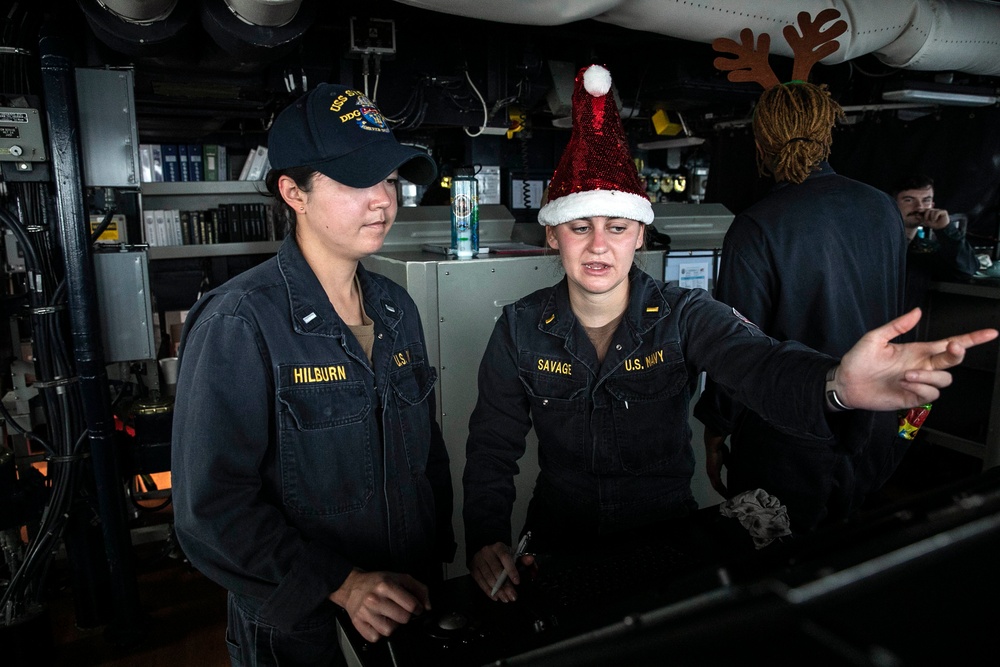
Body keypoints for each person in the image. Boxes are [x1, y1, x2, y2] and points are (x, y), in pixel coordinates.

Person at [460, 64, 997, 604]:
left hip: (664, 537)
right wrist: (486, 538)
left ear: (639, 234)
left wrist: (833, 385)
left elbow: (759, 364)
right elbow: (491, 447)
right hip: (557, 538)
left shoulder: (687, 314)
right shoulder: (519, 327)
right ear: (553, 234)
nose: (599, 245)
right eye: (581, 227)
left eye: (616, 226)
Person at [170, 83, 456, 666]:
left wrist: (439, 561)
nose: (382, 201)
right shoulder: (239, 322)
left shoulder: (396, 308)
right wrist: (343, 584)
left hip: (406, 604)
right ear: (293, 192)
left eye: (389, 180)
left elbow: (426, 458)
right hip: (302, 632)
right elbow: (211, 510)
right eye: (357, 182)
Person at [692, 81, 909, 533]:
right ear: (828, 133)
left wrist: (716, 426)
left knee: (770, 574)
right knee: (851, 564)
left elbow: (736, 347)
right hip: (877, 427)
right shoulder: (882, 208)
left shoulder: (756, 227)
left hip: (786, 443)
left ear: (759, 143)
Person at [891, 173, 979, 313]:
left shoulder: (924, 250)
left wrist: (946, 230)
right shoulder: (873, 245)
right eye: (908, 200)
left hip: (903, 328)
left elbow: (966, 269)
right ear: (891, 204)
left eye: (926, 200)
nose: (919, 207)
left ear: (933, 205)